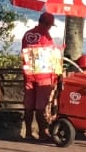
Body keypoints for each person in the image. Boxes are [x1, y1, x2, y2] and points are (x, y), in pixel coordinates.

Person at [20, 11, 63, 143]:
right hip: (43, 75)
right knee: (41, 106)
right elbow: (51, 56)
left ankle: (27, 132)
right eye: (50, 25)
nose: (50, 27)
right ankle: (42, 133)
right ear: (48, 24)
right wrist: (60, 50)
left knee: (28, 105)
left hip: (29, 74)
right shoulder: (46, 36)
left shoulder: (27, 34)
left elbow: (23, 52)